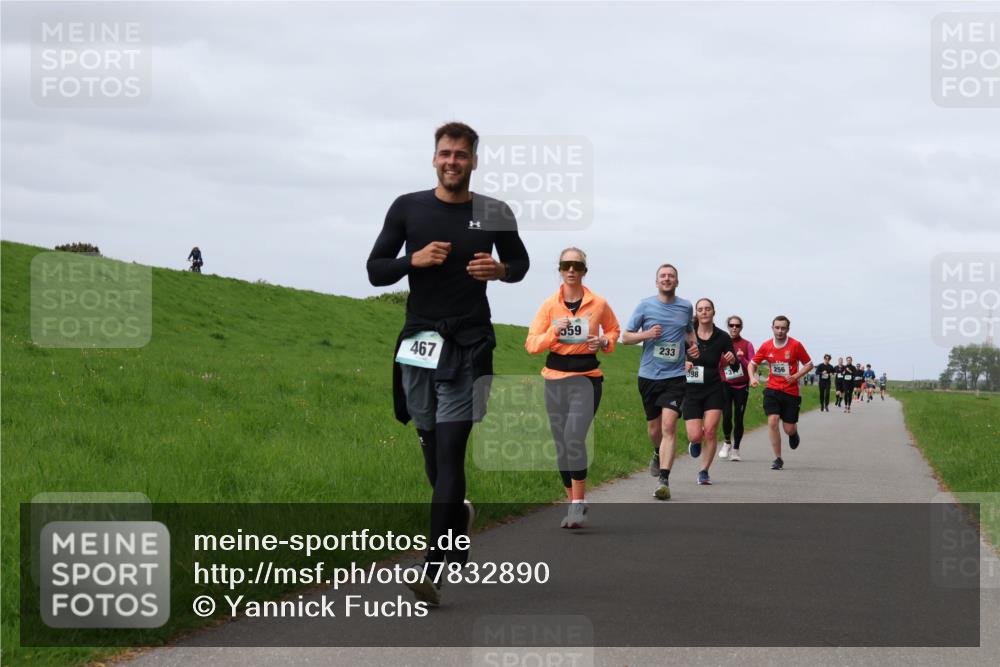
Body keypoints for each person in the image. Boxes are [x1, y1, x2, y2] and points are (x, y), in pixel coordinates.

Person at [366, 121, 530, 606]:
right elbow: (375, 271)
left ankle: (432, 568)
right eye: (445, 153)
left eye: (461, 154)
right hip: (419, 343)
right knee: (431, 449)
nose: (452, 161)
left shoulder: (494, 212)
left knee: (451, 452)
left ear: (474, 160)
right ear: (434, 158)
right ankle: (457, 518)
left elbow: (520, 264)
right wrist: (411, 260)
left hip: (469, 344)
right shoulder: (407, 207)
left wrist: (500, 270)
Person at [525, 247, 619, 528]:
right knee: (561, 445)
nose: (571, 270)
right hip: (555, 378)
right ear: (560, 269)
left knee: (573, 437)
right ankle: (573, 502)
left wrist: (604, 342)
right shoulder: (549, 305)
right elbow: (531, 344)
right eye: (566, 265)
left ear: (584, 271)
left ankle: (578, 504)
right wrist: (554, 331)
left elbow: (613, 330)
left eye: (576, 266)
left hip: (586, 377)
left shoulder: (599, 303)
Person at [622, 264, 697, 500]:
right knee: (654, 430)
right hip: (648, 376)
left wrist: (693, 347)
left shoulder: (686, 306)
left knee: (669, 426)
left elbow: (689, 331)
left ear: (677, 281)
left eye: (671, 276)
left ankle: (664, 480)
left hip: (675, 377)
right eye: (663, 276)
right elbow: (625, 337)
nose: (667, 279)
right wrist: (646, 335)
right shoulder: (645, 305)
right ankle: (657, 452)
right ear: (656, 282)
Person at [683, 299, 741, 485]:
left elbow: (735, 367)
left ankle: (704, 471)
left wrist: (733, 360)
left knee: (710, 431)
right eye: (700, 309)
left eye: (707, 309)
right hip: (691, 390)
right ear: (697, 313)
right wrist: (683, 363)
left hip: (713, 389)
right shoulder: (687, 335)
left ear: (713, 312)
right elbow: (675, 358)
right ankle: (695, 441)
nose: (704, 312)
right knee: (694, 435)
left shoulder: (722, 337)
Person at [748, 316, 813, 470]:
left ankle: (793, 433)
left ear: (788, 329)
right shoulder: (766, 346)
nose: (780, 331)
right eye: (777, 327)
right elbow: (752, 364)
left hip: (791, 392)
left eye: (783, 328)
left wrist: (796, 376)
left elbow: (809, 364)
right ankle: (778, 458)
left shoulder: (796, 345)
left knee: (788, 428)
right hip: (772, 389)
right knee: (773, 420)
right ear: (772, 328)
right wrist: (752, 378)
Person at [719, 315, 754, 461]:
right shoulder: (721, 343)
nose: (734, 328)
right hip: (725, 384)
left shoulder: (747, 344)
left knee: (738, 418)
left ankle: (736, 449)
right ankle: (727, 442)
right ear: (728, 326)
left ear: (741, 328)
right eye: (731, 325)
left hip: (741, 386)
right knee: (726, 415)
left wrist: (742, 358)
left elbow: (753, 365)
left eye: (737, 325)